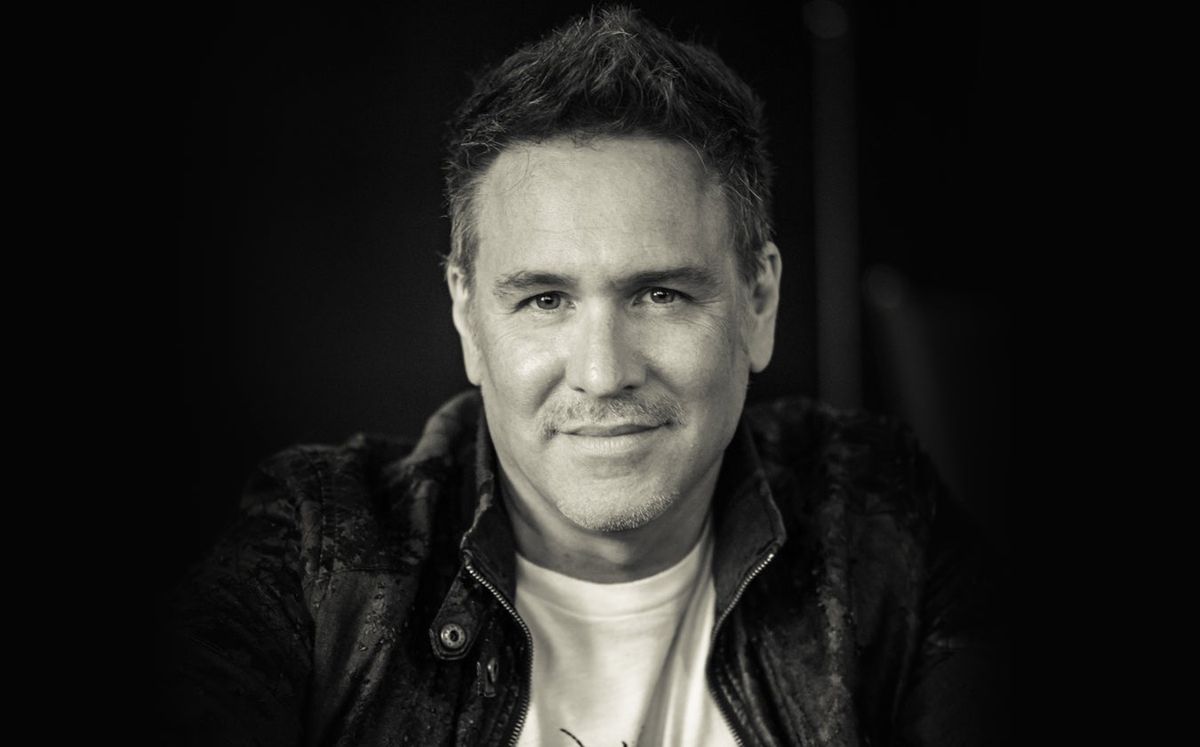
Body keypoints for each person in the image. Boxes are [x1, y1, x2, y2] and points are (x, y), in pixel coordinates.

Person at [161, 6, 1005, 746]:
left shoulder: (878, 523)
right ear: (467, 316)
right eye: (544, 300)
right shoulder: (321, 556)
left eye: (661, 294)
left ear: (759, 302)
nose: (603, 374)